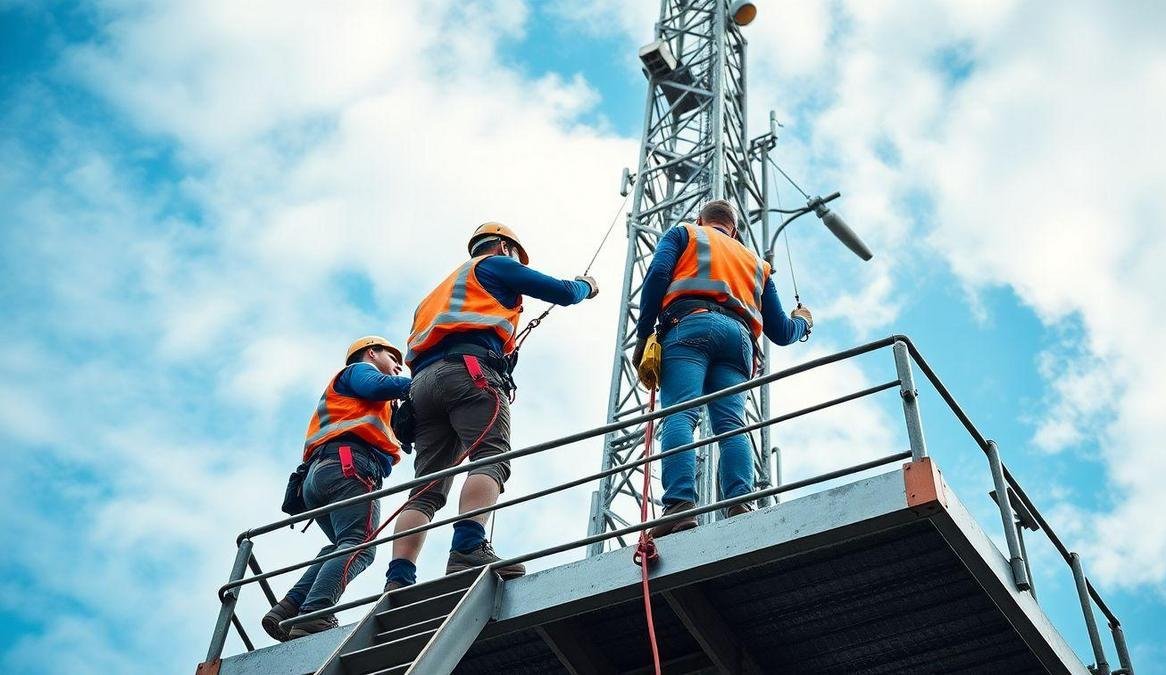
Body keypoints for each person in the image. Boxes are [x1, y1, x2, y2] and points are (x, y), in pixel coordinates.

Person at [383, 222, 598, 592]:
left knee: (425, 491)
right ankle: (468, 548)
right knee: (490, 458)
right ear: (502, 246)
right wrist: (585, 286)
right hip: (468, 373)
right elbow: (562, 292)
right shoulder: (494, 264)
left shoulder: (435, 296)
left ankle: (398, 579)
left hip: (422, 388)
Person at [633, 199, 812, 536]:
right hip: (740, 341)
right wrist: (803, 322)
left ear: (701, 219)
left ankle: (680, 506)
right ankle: (741, 503)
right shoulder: (757, 264)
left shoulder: (685, 233)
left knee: (681, 415)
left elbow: (657, 274)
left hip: (689, 326)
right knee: (731, 424)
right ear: (735, 230)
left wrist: (644, 335)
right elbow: (783, 332)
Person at [262, 336, 411, 640]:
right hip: (349, 466)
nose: (398, 366)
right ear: (371, 353)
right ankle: (315, 612)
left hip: (320, 476)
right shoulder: (358, 371)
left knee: (341, 545)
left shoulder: (355, 398)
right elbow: (377, 386)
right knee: (361, 546)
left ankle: (288, 608)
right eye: (393, 359)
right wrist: (419, 380)